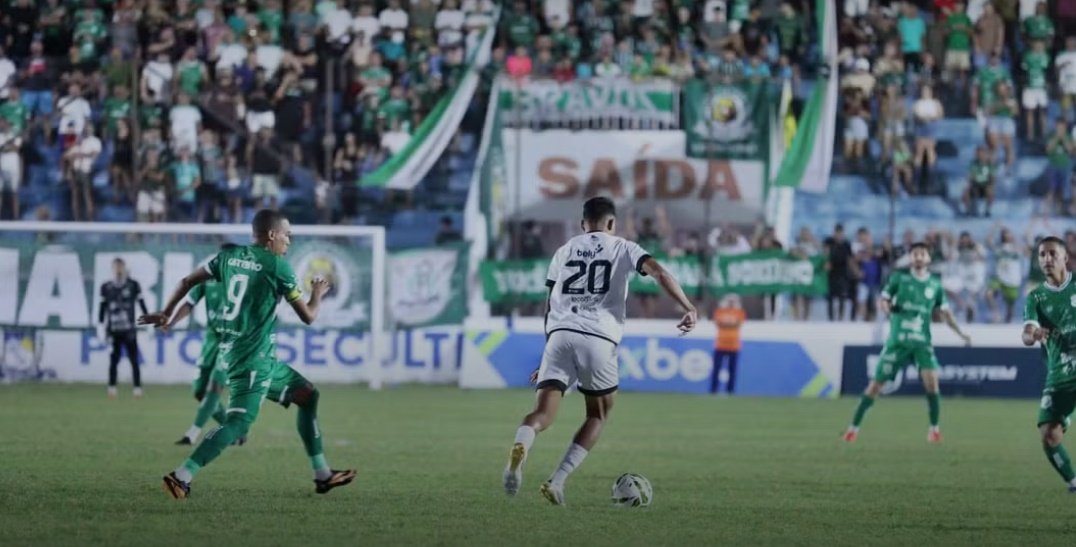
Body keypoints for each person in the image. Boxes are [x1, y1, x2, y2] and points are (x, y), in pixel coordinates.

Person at [139, 209, 355, 498]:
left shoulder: (228, 257)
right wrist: (317, 294)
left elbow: (186, 282)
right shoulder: (279, 267)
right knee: (238, 423)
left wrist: (166, 313)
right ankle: (181, 476)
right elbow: (308, 316)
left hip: (249, 355)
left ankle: (323, 475)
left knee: (307, 395)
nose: (289, 240)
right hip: (253, 358)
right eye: (287, 234)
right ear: (271, 235)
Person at [501, 197, 697, 505]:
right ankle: (557, 481)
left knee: (543, 412)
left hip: (560, 334)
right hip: (599, 336)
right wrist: (688, 307)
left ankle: (521, 446)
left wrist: (547, 353)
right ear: (611, 223)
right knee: (597, 414)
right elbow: (660, 273)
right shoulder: (623, 247)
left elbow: (549, 304)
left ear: (583, 224)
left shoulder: (564, 250)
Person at [843, 242, 971, 443]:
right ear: (911, 258)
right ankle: (853, 429)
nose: (919, 257)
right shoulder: (898, 279)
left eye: (922, 254)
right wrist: (886, 308)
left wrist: (961, 334)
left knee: (932, 382)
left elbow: (946, 314)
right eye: (915, 254)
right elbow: (883, 300)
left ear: (928, 259)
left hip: (922, 343)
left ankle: (934, 430)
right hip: (898, 342)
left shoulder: (935, 285)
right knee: (875, 387)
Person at [168, 243, 240, 446]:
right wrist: (172, 321)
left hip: (233, 341)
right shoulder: (207, 280)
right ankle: (234, 430)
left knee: (215, 387)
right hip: (211, 339)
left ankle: (192, 434)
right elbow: (189, 303)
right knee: (199, 391)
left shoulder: (244, 283)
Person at [1022, 236, 1076, 492]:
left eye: (1052, 253)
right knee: (1049, 434)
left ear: (1065, 257)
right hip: (1061, 372)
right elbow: (1026, 334)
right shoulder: (1036, 298)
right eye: (1042, 255)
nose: (1047, 259)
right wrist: (1033, 335)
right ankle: (1073, 482)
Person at [99, 258, 149, 398]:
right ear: (112, 268)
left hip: (129, 330)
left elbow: (141, 303)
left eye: (121, 267)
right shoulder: (106, 287)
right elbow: (102, 308)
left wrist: (148, 321)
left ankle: (137, 388)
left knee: (134, 359)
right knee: (114, 360)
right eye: (116, 267)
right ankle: (112, 387)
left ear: (125, 268)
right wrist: (100, 325)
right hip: (113, 330)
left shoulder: (133, 285)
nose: (119, 270)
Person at [711, 294, 745, 395]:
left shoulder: (739, 312)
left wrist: (727, 323)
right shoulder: (720, 311)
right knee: (716, 369)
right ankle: (714, 390)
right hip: (720, 345)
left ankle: (730, 391)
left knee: (732, 370)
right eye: (729, 301)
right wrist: (730, 323)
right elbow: (719, 323)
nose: (731, 303)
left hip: (734, 346)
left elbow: (737, 324)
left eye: (733, 301)